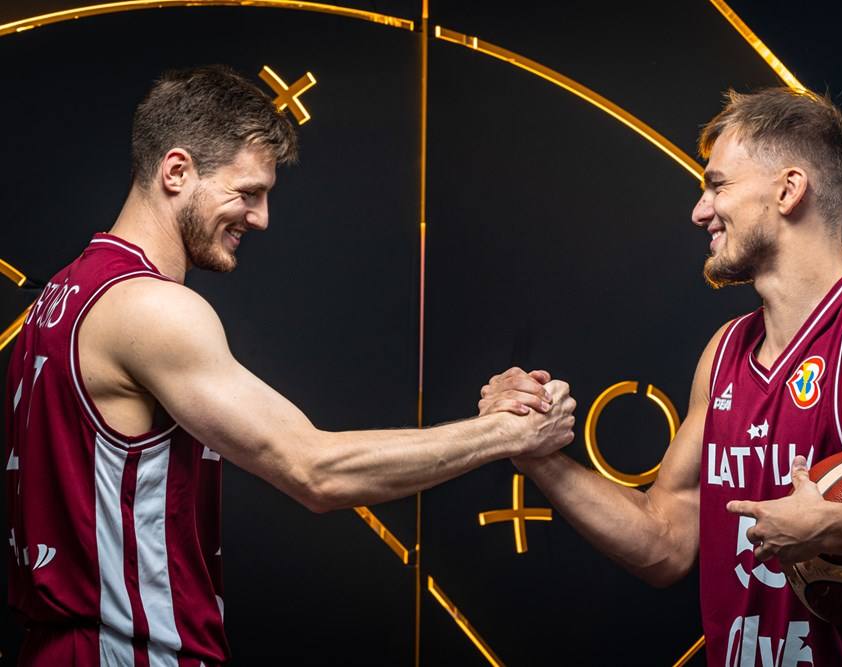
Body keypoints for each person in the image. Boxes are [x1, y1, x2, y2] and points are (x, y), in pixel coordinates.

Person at [4, 65, 576, 666]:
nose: (261, 217)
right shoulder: (152, 308)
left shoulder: (64, 293)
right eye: (247, 192)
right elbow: (315, 471)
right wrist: (508, 431)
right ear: (177, 171)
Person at [481, 88, 842, 665]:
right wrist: (535, 455)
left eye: (718, 185)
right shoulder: (725, 352)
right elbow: (665, 543)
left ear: (788, 189)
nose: (700, 211)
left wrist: (837, 528)